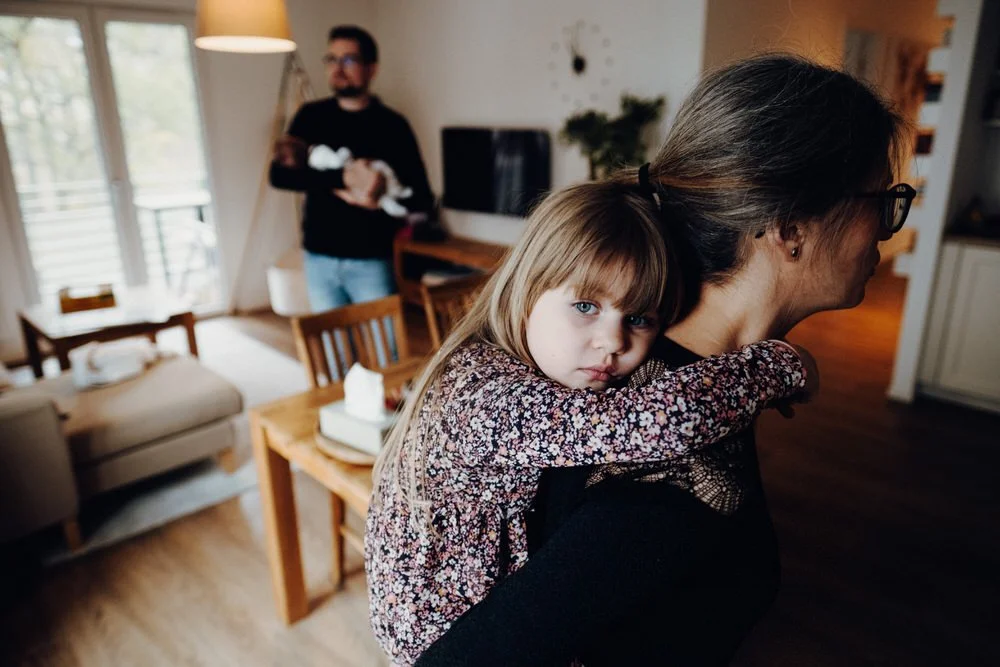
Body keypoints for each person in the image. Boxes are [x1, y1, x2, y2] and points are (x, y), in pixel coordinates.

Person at [413, 54, 913, 666]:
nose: (886, 227)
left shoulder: (677, 371)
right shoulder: (661, 460)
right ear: (790, 227)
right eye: (881, 200)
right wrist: (772, 369)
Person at [365, 175, 818, 666]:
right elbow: (657, 422)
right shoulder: (486, 395)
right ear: (526, 288)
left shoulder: (501, 363)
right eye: (585, 306)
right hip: (443, 643)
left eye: (639, 318)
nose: (613, 342)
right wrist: (779, 366)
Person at [269, 25, 434, 313]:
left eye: (349, 60)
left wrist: (377, 198)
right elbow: (279, 175)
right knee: (332, 353)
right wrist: (341, 178)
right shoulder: (310, 117)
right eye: (331, 59)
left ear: (372, 68)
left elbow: (421, 197)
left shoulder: (393, 125)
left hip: (371, 261)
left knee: (385, 353)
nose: (338, 68)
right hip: (318, 258)